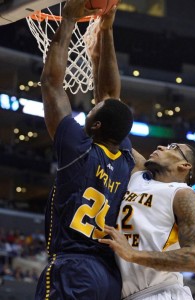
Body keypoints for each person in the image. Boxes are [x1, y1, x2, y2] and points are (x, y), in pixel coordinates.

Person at [35, 1, 134, 299]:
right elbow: (109, 97)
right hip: (108, 278)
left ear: (98, 126)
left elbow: (52, 84)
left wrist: (67, 20)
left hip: (73, 269)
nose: (88, 109)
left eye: (93, 111)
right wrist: (107, 29)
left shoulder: (78, 149)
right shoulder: (125, 157)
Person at [100, 143, 195, 299]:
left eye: (173, 147)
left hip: (162, 293)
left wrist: (133, 254)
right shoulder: (138, 174)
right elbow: (118, 132)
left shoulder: (182, 194)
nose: (161, 146)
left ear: (184, 165)